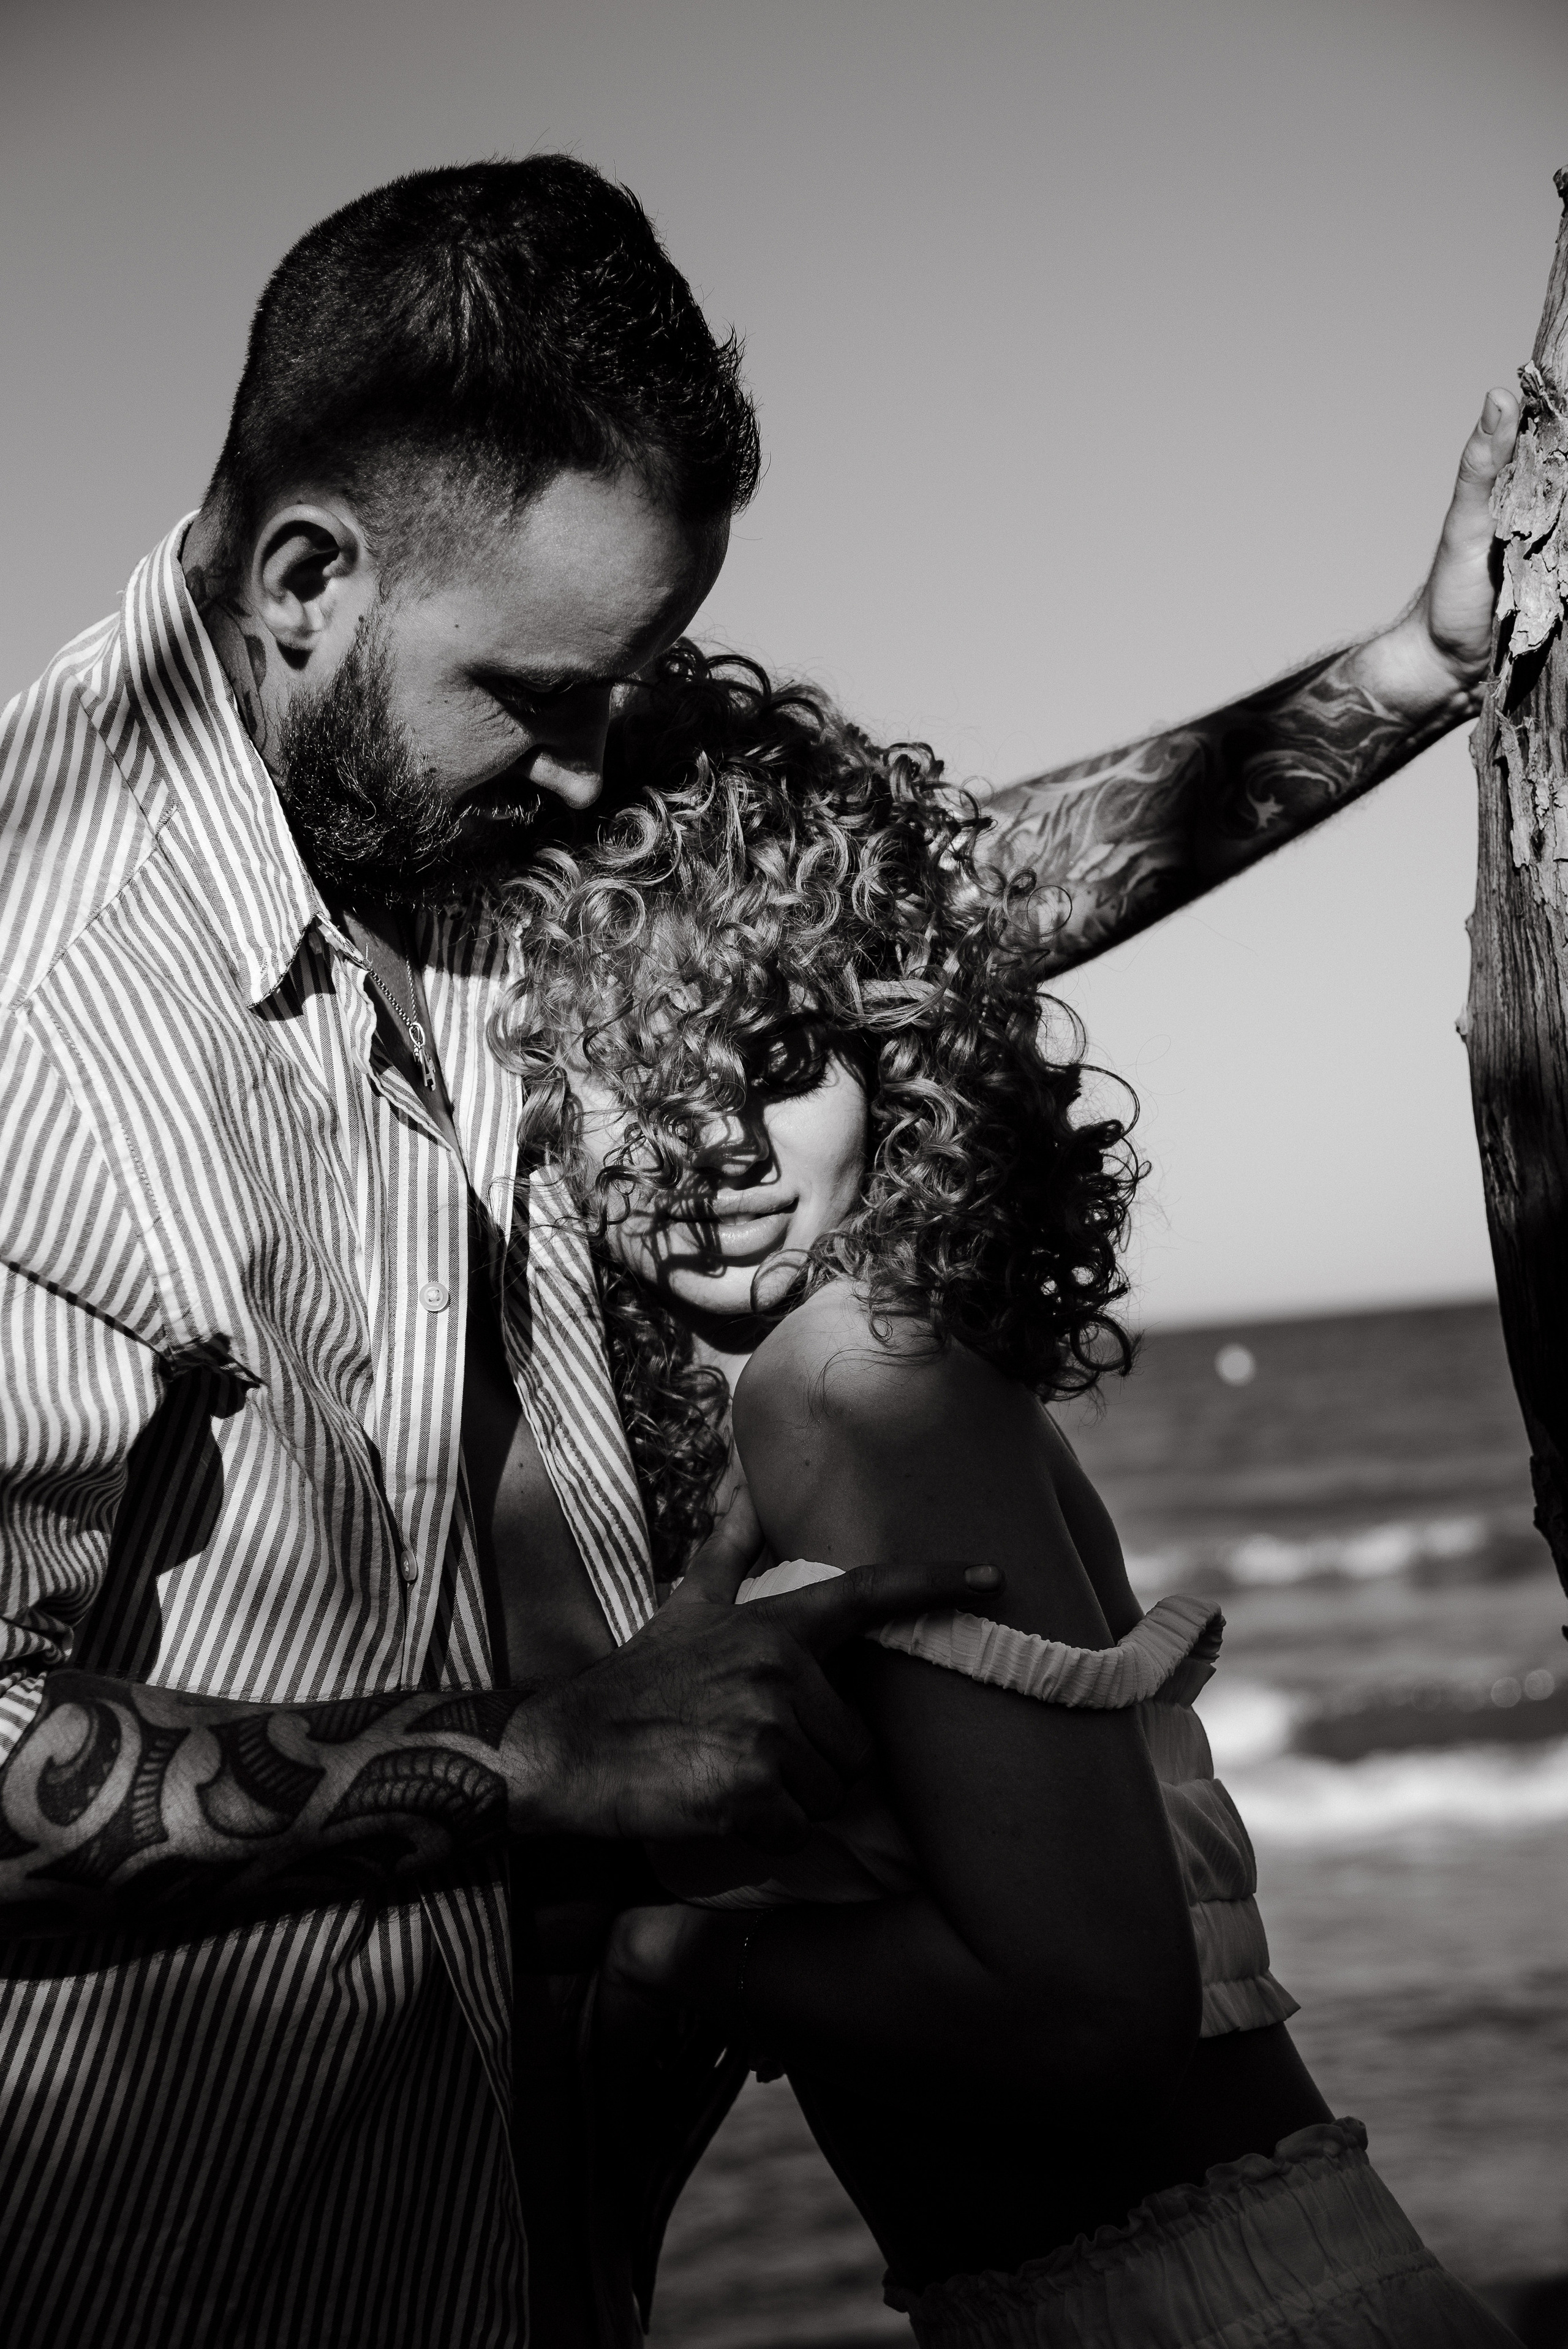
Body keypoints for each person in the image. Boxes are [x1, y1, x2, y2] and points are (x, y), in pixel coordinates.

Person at [0, 148, 1514, 2347]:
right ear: (308, 575)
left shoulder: (428, 797)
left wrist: (1394, 677)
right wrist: (532, 1767)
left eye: (647, 678)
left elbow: (865, 923)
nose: (600, 758)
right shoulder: (47, 1021)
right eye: (552, 691)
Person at [493, 655, 1521, 2348]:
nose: (730, 1148)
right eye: (646, 1077)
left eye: (781, 1052)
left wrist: (684, 1963)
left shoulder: (847, 1380)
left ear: (897, 1059)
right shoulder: (758, 1423)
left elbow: (1089, 2012)